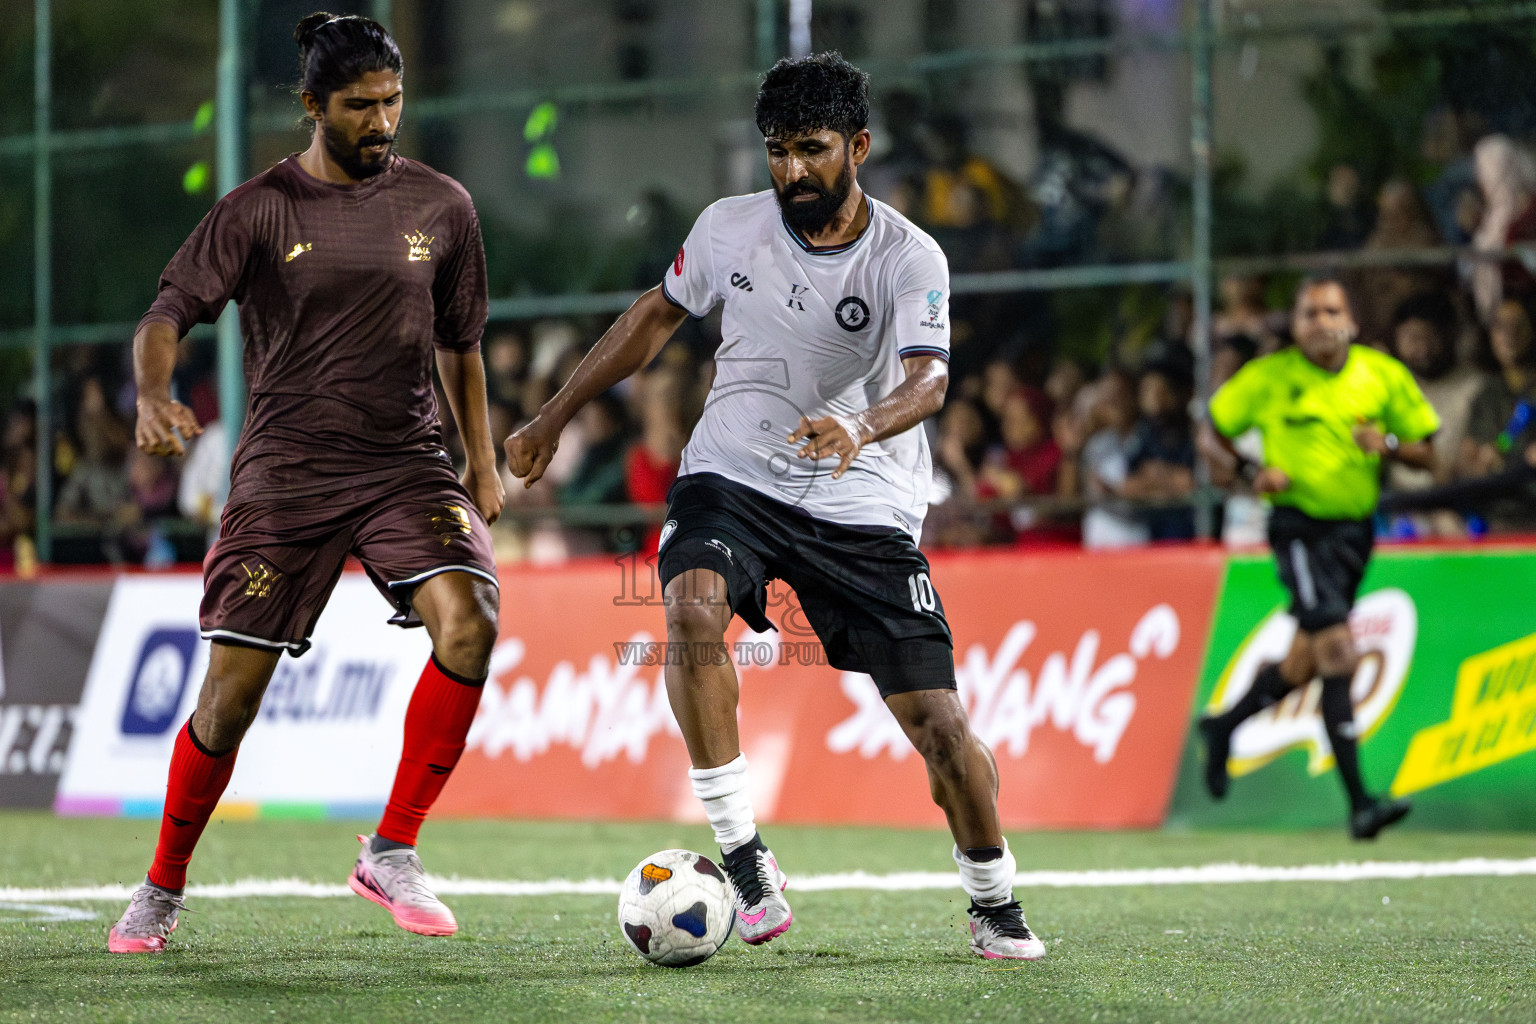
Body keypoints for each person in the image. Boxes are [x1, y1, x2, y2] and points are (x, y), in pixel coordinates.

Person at [506, 52, 1045, 961]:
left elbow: (932, 379)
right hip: (735, 472)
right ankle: (744, 855)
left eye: (812, 149)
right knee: (688, 610)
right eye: (777, 151)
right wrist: (554, 415)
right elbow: (653, 316)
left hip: (863, 494)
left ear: (858, 147)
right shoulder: (728, 229)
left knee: (942, 732)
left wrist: (862, 428)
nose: (791, 170)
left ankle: (992, 899)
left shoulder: (910, 255)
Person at [108, 13, 503, 954]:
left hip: (405, 465)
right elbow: (167, 313)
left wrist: (479, 459)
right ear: (312, 105)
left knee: (473, 621)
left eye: (393, 102)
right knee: (227, 700)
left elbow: (462, 346)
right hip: (286, 475)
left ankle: (393, 848)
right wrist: (154, 394)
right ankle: (162, 886)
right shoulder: (257, 209)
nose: (382, 120)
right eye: (361, 106)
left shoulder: (443, 206)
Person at [1199, 277, 1439, 840]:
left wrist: (1388, 446)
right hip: (1297, 527)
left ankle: (1224, 726)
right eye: (1309, 313)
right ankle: (1361, 804)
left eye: (1332, 311)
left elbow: (1429, 452)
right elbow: (1210, 431)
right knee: (1337, 651)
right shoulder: (1268, 377)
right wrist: (1249, 474)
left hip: (1355, 534)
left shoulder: (1382, 375)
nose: (1321, 321)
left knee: (1305, 661)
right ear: (1296, 324)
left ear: (1351, 321)